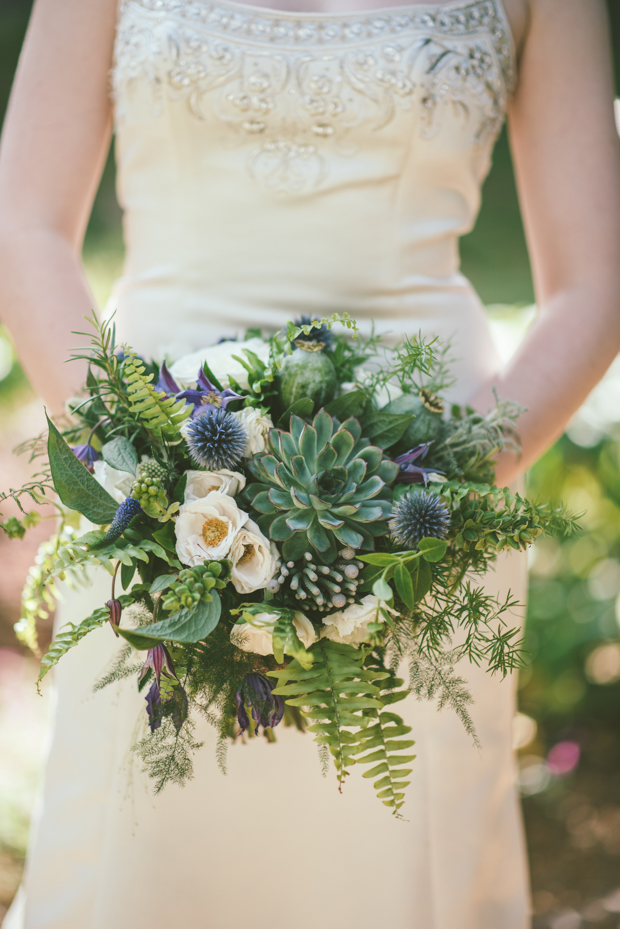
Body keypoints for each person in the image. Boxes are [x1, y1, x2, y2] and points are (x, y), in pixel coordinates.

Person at [0, 0, 618, 926]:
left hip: (438, 492)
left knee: (397, 853)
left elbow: (597, 280)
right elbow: (22, 220)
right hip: (152, 477)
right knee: (143, 843)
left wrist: (444, 482)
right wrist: (131, 460)